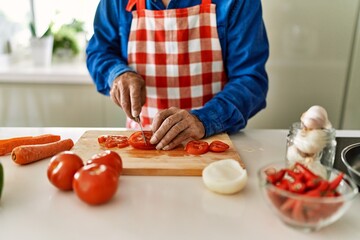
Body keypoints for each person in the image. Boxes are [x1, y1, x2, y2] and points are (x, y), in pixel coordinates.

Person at [86, 0, 269, 150]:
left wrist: (203, 119)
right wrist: (117, 74)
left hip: (213, 143)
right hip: (143, 144)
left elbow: (250, 80)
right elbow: (99, 52)